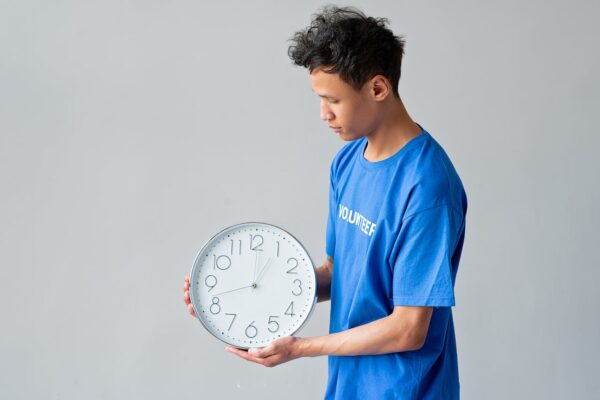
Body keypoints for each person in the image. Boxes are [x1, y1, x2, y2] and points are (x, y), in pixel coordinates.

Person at [183, 6, 467, 399]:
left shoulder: (427, 186)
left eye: (333, 100)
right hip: (348, 385)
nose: (323, 114)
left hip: (406, 390)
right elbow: (338, 272)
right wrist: (233, 296)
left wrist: (300, 348)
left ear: (378, 89)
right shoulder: (346, 162)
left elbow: (408, 328)